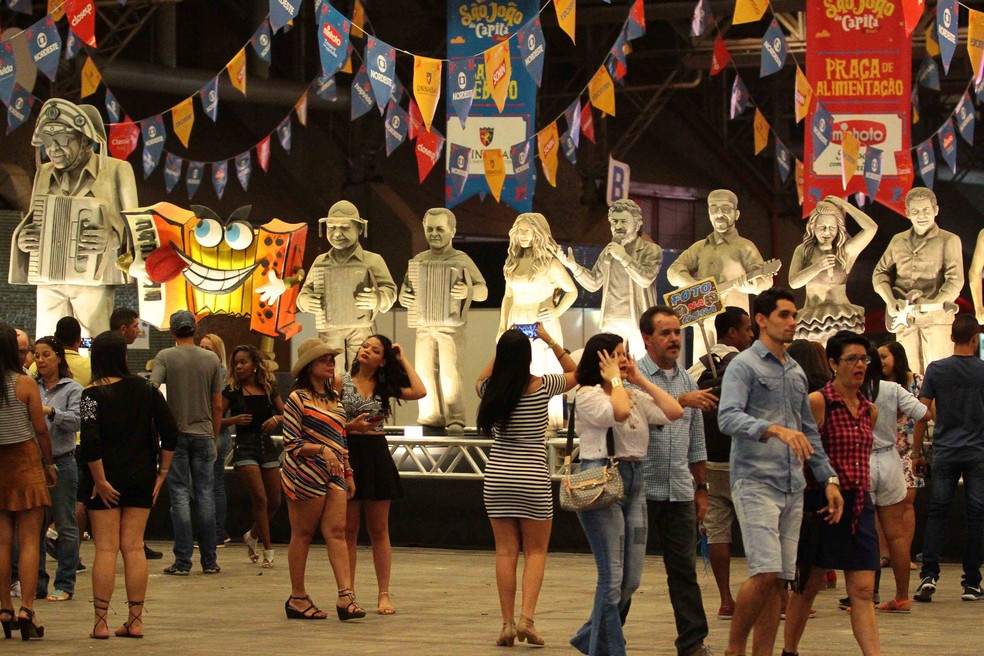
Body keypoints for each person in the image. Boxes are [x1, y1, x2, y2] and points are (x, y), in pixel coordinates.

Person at [717, 288, 843, 656]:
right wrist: (772, 429)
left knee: (780, 581)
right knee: (765, 571)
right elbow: (727, 417)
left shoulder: (795, 370)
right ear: (761, 320)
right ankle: (734, 649)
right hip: (755, 481)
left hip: (793, 485)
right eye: (784, 315)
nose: (792, 322)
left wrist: (828, 478)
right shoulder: (743, 365)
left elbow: (809, 432)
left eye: (793, 315)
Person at [568, 332, 683, 656]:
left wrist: (639, 379)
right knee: (611, 577)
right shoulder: (588, 395)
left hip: (634, 481)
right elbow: (617, 413)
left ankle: (589, 639)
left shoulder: (631, 394)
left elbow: (674, 411)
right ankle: (609, 650)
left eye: (624, 353)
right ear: (600, 360)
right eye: (616, 354)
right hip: (600, 480)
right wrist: (616, 382)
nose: (623, 359)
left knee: (630, 580)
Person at [476, 324, 576, 646]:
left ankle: (506, 624)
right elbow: (576, 372)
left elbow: (482, 377)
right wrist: (549, 339)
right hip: (532, 477)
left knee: (505, 552)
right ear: (528, 356)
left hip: (497, 477)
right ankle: (527, 621)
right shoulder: (543, 385)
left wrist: (502, 346)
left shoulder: (489, 389)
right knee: (535, 552)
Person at [782, 331, 880, 656]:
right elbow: (804, 452)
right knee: (808, 585)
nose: (859, 365)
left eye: (863, 359)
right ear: (834, 363)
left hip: (859, 504)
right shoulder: (818, 402)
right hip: (822, 503)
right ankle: (789, 650)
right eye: (851, 359)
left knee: (862, 589)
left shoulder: (869, 410)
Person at [10, 98, 138, 338]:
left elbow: (136, 226)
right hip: (48, 277)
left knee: (90, 340)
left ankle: (87, 363)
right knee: (47, 339)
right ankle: (54, 364)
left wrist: (112, 238)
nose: (53, 149)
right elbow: (33, 218)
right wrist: (24, 240)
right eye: (48, 142)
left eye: (62, 140)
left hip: (95, 276)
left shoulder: (117, 170)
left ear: (87, 140)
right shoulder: (44, 173)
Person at [80, 332, 178, 639]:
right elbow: (171, 431)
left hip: (104, 479)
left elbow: (90, 441)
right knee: (134, 547)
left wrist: (99, 480)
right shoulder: (147, 389)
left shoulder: (90, 395)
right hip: (141, 476)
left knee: (106, 549)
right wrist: (162, 473)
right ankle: (135, 621)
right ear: (123, 355)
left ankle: (100, 624)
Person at [636, 306, 713, 656]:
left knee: (684, 571)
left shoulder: (688, 380)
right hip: (639, 489)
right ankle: (606, 639)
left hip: (680, 491)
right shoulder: (632, 377)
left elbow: (696, 442)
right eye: (665, 333)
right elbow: (633, 416)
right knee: (626, 574)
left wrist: (702, 488)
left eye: (677, 332)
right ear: (647, 338)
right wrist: (680, 402)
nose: (673, 339)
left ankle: (693, 642)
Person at [342, 335, 426, 615]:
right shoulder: (340, 381)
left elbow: (420, 391)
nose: (366, 350)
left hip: (376, 454)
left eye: (375, 350)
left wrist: (402, 359)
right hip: (348, 452)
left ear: (382, 361)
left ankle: (383, 594)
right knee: (348, 530)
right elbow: (328, 419)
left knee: (379, 530)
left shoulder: (384, 385)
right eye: (365, 346)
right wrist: (351, 427)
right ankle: (348, 592)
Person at [281, 338, 363, 621]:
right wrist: (321, 449)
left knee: (338, 532)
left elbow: (341, 437)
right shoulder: (297, 398)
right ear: (309, 366)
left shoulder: (334, 398)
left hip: (335, 471)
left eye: (331, 359)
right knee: (302, 534)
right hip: (305, 472)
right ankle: (298, 597)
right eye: (323, 360)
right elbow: (290, 442)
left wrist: (348, 471)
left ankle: (346, 596)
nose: (330, 364)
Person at [850, 345, 929, 615]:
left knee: (865, 533)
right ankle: (902, 596)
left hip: (860, 461)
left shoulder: (851, 389)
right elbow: (924, 413)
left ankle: (865, 596)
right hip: (890, 459)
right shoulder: (892, 389)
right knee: (896, 535)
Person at [912, 314, 984, 603]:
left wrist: (917, 453)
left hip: (944, 450)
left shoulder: (936, 369)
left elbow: (921, 412)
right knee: (976, 515)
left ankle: (929, 575)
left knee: (937, 512)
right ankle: (971, 583)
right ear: (975, 339)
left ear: (952, 337)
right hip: (978, 451)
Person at [688, 307, 754, 620]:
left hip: (709, 462)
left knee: (716, 532)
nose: (751, 335)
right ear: (732, 332)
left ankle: (726, 599)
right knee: (758, 529)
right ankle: (775, 598)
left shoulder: (695, 368)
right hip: (744, 461)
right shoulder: (749, 364)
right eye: (747, 329)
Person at [399, 208, 488, 434]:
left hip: (451, 327)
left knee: (451, 373)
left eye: (440, 229)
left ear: (452, 231)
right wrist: (404, 296)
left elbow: (483, 291)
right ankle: (430, 415)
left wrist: (467, 291)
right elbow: (406, 291)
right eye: (429, 229)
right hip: (423, 326)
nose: (434, 234)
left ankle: (455, 417)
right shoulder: (418, 261)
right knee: (424, 371)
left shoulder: (461, 259)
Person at [150, 311, 223, 576]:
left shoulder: (165, 357)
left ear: (172, 331)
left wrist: (161, 422)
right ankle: (209, 561)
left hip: (176, 435)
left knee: (179, 495)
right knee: (205, 495)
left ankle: (182, 561)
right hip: (204, 434)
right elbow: (217, 405)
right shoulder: (212, 359)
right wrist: (214, 438)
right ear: (195, 329)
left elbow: (152, 389)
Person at [667, 190, 773, 361]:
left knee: (733, 363)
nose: (719, 214)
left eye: (726, 208)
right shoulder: (700, 247)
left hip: (732, 324)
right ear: (709, 213)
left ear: (736, 214)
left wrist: (747, 285)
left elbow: (766, 280)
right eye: (714, 208)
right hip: (702, 319)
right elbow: (673, 271)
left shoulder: (745, 247)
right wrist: (696, 286)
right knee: (700, 365)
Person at [0, 324, 55, 641]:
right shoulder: (25, 384)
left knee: (2, 542)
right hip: (25, 463)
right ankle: (27, 609)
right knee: (30, 540)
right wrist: (50, 464)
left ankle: (5, 607)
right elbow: (41, 430)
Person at [498, 212, 577, 429]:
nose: (522, 235)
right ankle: (518, 420)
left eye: (527, 231)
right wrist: (501, 327)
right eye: (519, 231)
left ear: (538, 233)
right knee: (516, 371)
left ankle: (546, 423)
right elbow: (507, 296)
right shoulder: (512, 263)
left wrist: (556, 311)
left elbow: (572, 291)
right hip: (516, 321)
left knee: (543, 372)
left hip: (541, 324)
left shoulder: (550, 264)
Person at [872, 187, 963, 374]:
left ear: (936, 210)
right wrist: (891, 301)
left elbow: (955, 280)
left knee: (939, 374)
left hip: (937, 321)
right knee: (908, 374)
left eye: (926, 210)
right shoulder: (897, 240)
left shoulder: (949, 240)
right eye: (915, 211)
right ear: (907, 213)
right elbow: (879, 274)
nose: (921, 216)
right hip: (904, 321)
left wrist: (934, 304)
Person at [296, 200, 397, 370]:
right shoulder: (321, 261)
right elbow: (304, 293)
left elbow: (390, 290)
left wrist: (377, 299)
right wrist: (306, 301)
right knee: (330, 371)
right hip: (329, 331)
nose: (337, 233)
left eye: (345, 227)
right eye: (331, 228)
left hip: (361, 330)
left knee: (361, 370)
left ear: (359, 228)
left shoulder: (372, 260)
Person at [556, 199, 661, 356]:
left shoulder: (651, 250)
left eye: (623, 221)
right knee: (610, 361)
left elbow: (645, 279)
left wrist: (623, 257)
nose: (618, 226)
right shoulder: (609, 251)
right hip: (611, 318)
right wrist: (574, 267)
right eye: (614, 222)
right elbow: (594, 283)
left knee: (641, 363)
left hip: (639, 319)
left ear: (637, 224)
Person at [222, 344, 284, 569]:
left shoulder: (267, 389)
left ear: (255, 365)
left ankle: (253, 534)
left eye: (243, 362)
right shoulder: (231, 391)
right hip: (245, 446)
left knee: (275, 501)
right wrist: (233, 420)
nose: (238, 367)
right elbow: (214, 420)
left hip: (266, 446)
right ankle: (268, 550)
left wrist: (276, 419)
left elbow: (286, 413)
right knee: (260, 498)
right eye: (236, 363)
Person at [33, 337, 82, 603]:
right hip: (34, 464)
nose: (40, 360)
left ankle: (64, 583)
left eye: (46, 355)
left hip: (62, 462)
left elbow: (77, 421)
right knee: (34, 527)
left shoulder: (72, 389)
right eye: (36, 355)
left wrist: (51, 412)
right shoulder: (31, 386)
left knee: (65, 525)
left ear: (59, 357)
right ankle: (36, 583)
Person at [787, 196, 877, 343]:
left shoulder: (845, 251)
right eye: (822, 227)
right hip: (813, 320)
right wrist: (817, 267)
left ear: (838, 228)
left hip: (842, 317)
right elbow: (793, 282)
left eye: (832, 228)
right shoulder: (803, 251)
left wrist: (844, 204)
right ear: (813, 227)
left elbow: (871, 228)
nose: (827, 232)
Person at [110, 308, 161, 562]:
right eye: (135, 326)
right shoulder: (117, 364)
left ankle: (132, 541)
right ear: (123, 329)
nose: (139, 331)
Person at [878, 342, 924, 571]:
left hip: (909, 449)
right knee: (880, 502)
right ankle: (884, 553)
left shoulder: (916, 381)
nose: (880, 361)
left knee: (907, 501)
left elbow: (926, 412)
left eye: (884, 356)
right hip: (882, 449)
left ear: (896, 356)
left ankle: (903, 554)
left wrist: (918, 451)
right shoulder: (876, 384)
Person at [201, 334, 233, 548]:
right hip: (220, 433)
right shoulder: (224, 374)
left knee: (211, 485)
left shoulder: (219, 375)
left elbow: (218, 408)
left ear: (219, 353)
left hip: (216, 434)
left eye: (209, 349)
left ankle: (215, 532)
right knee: (215, 484)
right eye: (202, 347)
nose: (203, 352)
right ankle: (217, 531)